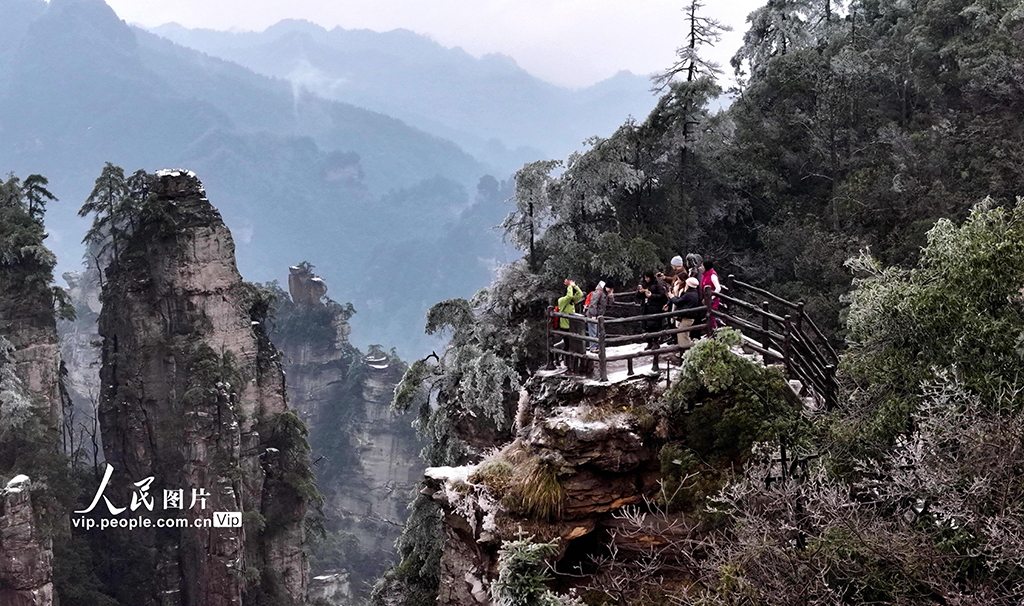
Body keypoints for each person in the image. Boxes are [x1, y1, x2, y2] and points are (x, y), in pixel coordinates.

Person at [636, 270, 668, 350]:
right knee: (646, 326)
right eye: (645, 277)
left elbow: (662, 296)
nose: (646, 279)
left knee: (654, 326)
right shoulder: (643, 284)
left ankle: (656, 342)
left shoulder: (657, 285)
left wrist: (652, 296)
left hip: (655, 308)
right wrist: (640, 292)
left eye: (647, 277)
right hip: (646, 307)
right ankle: (649, 342)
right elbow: (637, 296)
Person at [557, 279, 585, 371]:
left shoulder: (571, 301)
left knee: (574, 345)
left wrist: (575, 286)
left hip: (573, 326)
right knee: (567, 344)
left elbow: (580, 294)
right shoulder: (562, 300)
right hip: (565, 326)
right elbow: (569, 296)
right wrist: (570, 285)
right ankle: (566, 361)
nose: (573, 295)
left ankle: (571, 362)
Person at [669, 277, 705, 347]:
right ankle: (687, 350)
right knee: (685, 334)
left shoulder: (688, 294)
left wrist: (672, 297)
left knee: (682, 334)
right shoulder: (695, 293)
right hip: (690, 317)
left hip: (687, 317)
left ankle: (685, 350)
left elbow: (678, 302)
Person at [584, 281, 614, 351]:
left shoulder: (607, 293)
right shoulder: (598, 292)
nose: (610, 290)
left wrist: (611, 296)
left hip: (600, 315)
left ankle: (597, 346)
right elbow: (593, 304)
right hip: (593, 314)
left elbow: (610, 303)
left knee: (598, 331)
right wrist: (593, 314)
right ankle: (593, 347)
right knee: (593, 331)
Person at [699, 260, 722, 328]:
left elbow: (718, 288)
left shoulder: (712, 275)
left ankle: (715, 331)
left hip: (713, 300)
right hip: (707, 299)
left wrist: (711, 297)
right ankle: (711, 332)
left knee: (711, 316)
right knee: (708, 316)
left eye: (702, 266)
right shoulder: (706, 274)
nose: (701, 267)